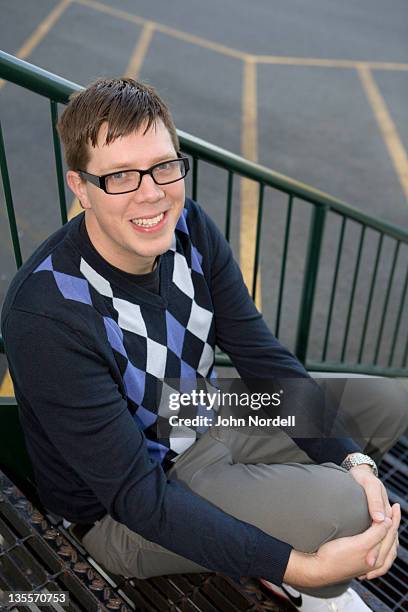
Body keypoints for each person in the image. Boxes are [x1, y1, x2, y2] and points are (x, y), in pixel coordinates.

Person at [1, 78, 407, 612]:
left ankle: (284, 511)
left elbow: (260, 355)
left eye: (163, 166)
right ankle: (288, 556)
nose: (151, 193)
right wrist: (302, 566)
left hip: (197, 407)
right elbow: (138, 499)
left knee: (386, 406)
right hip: (124, 508)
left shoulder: (188, 225)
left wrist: (353, 459)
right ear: (80, 187)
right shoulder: (45, 314)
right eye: (120, 175)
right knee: (349, 511)